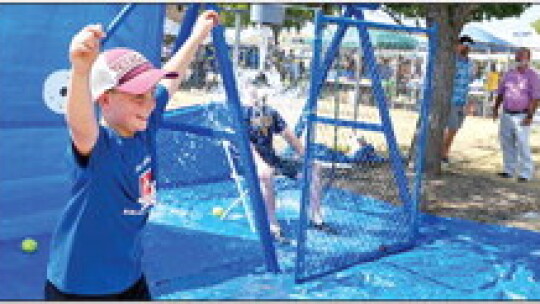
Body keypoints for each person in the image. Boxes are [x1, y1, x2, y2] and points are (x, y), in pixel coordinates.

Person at [44, 11, 219, 300]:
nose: (149, 103)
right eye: (138, 96)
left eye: (149, 93)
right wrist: (80, 70)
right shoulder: (100, 148)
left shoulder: (143, 127)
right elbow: (79, 126)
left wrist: (197, 37)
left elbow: (171, 81)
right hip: (80, 288)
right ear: (105, 100)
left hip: (128, 276)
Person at [243, 72, 336, 244]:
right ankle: (272, 224)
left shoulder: (270, 113)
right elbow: (243, 144)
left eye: (261, 86)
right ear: (246, 90)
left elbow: (290, 138)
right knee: (266, 174)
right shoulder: (241, 113)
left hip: (272, 159)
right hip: (248, 161)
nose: (258, 91)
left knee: (313, 168)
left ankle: (316, 218)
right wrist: (260, 163)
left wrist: (307, 158)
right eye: (254, 86)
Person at [492, 47, 539, 182]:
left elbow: (536, 98)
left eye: (521, 57)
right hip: (506, 113)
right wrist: (496, 108)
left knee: (523, 143)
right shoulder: (509, 73)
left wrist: (530, 116)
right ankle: (509, 170)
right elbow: (501, 93)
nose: (518, 59)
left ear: (528, 59)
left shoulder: (533, 75)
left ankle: (526, 173)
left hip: (522, 115)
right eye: (517, 56)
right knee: (506, 142)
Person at [441, 35, 475, 165]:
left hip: (462, 102)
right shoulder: (451, 61)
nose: (467, 47)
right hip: (450, 101)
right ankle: (443, 154)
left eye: (469, 45)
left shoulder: (470, 63)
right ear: (457, 45)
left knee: (454, 130)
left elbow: (467, 83)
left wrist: (468, 102)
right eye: (465, 44)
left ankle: (444, 153)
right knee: (450, 128)